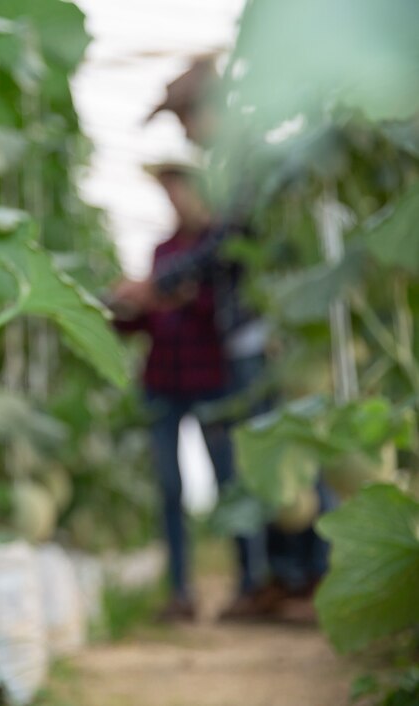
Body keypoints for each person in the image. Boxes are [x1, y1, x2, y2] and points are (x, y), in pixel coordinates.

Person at [118, 56, 328, 622]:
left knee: (287, 465)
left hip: (264, 340)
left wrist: (167, 283)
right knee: (267, 469)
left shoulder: (246, 161)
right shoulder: (234, 166)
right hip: (238, 346)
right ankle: (285, 580)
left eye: (186, 119)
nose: (185, 133)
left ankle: (306, 577)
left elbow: (231, 238)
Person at [112, 164, 261, 620]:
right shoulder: (162, 252)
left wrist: (163, 294)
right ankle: (180, 592)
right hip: (162, 384)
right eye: (168, 192)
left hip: (211, 381)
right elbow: (143, 316)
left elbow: (213, 306)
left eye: (179, 190)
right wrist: (126, 307)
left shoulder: (217, 251)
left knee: (228, 482)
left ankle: (250, 586)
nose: (175, 200)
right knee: (169, 489)